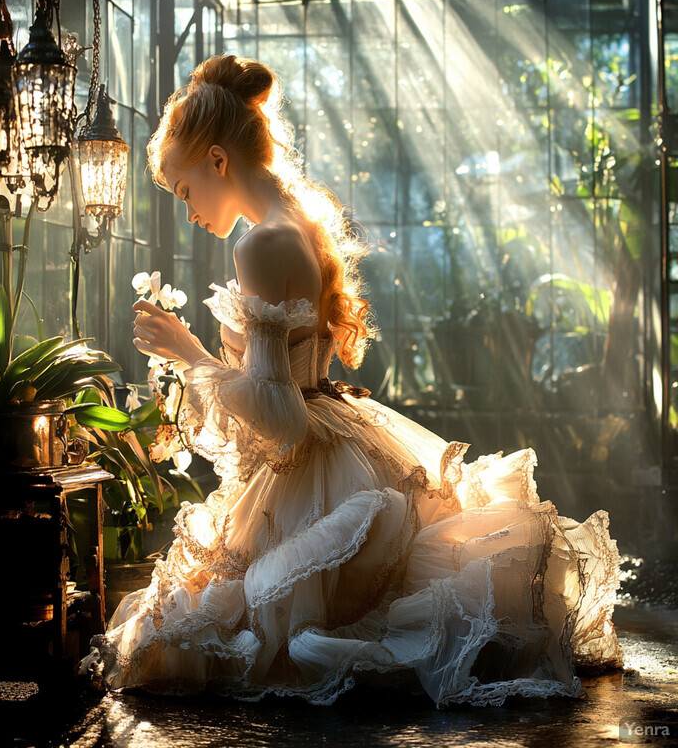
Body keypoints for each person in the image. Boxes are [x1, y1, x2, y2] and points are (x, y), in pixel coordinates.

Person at [82, 54, 623, 706]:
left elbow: (283, 419)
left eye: (185, 189)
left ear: (218, 160)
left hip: (315, 460)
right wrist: (234, 354)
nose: (188, 209)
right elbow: (292, 373)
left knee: (195, 638)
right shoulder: (293, 221)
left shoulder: (259, 243)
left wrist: (192, 353)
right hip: (335, 443)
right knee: (206, 615)